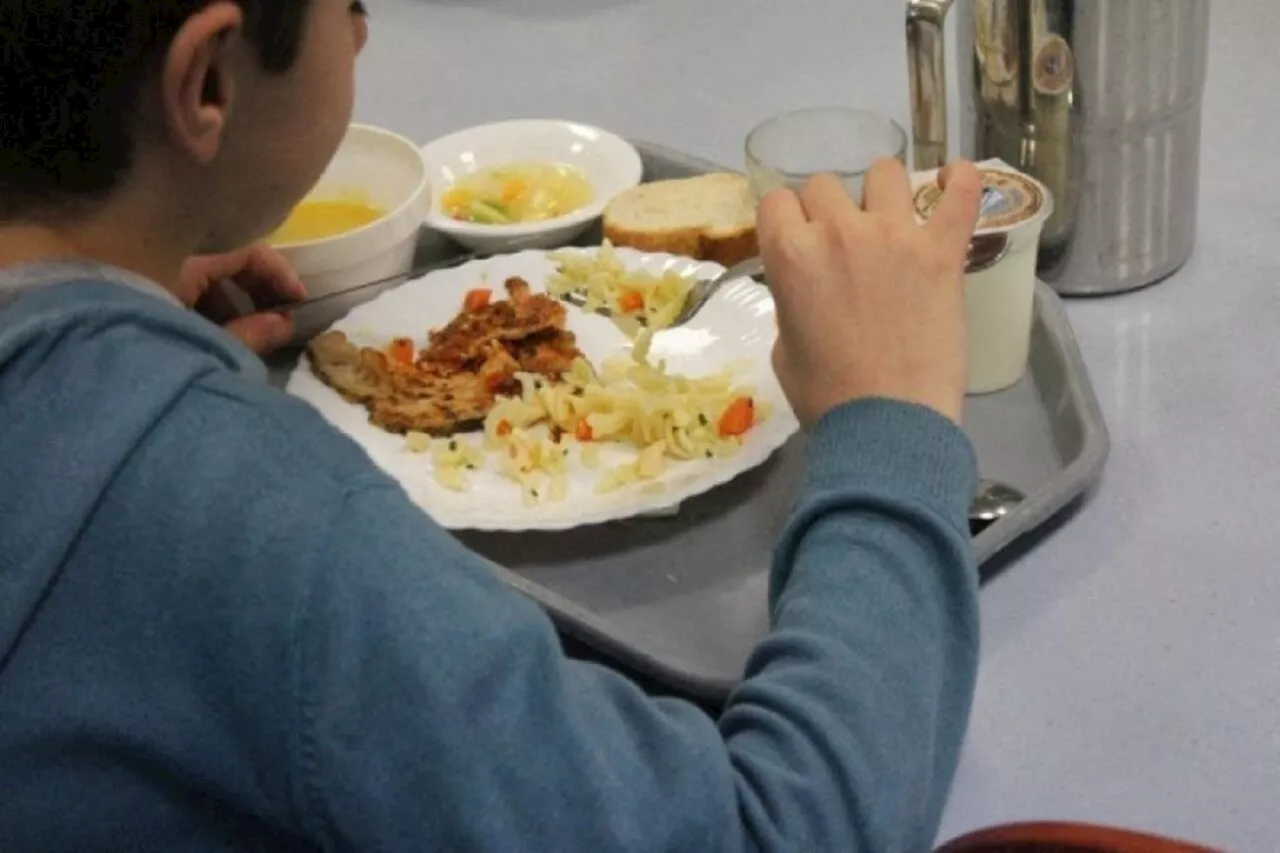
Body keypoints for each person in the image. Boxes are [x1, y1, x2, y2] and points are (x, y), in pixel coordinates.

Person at [0, 1, 984, 850]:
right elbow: (778, 828)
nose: (366, 31)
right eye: (349, 6)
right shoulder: (250, 520)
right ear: (208, 81)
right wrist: (886, 416)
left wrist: (125, 283)